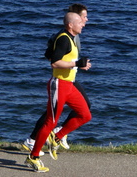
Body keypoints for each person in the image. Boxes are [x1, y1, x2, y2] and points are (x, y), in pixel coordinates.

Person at [25, 11, 92, 173]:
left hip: (69, 85)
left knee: (85, 115)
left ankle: (56, 137)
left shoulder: (68, 38)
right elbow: (55, 63)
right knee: (50, 122)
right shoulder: (64, 38)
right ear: (71, 25)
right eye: (80, 22)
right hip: (59, 86)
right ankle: (33, 157)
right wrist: (76, 63)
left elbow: (50, 55)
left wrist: (77, 65)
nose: (83, 24)